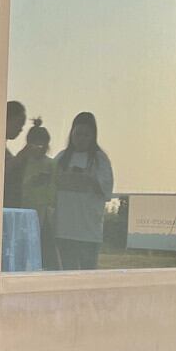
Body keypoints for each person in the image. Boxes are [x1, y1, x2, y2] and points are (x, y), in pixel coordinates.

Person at [53, 112, 114, 270]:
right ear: (72, 133)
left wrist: (88, 179)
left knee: (87, 276)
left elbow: (106, 190)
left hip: (88, 232)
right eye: (78, 134)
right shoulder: (62, 157)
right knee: (67, 274)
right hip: (64, 229)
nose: (81, 139)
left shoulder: (99, 159)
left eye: (86, 135)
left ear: (93, 136)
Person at [17, 118, 59, 270]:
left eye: (42, 145)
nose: (38, 149)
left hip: (44, 211)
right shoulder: (23, 162)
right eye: (34, 145)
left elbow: (55, 188)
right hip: (24, 209)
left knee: (44, 248)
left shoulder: (51, 164)